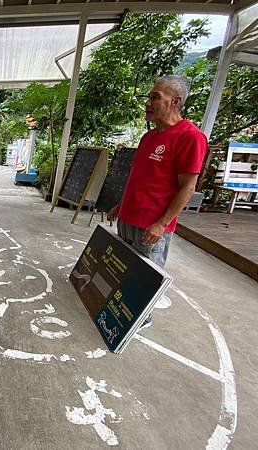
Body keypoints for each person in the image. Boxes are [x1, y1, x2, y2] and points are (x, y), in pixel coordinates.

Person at [107, 74, 208, 329]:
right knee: (125, 269)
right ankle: (121, 313)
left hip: (152, 224)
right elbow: (139, 178)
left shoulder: (190, 137)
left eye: (155, 97)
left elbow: (188, 187)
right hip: (129, 216)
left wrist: (162, 223)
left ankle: (139, 321)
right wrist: (121, 205)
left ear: (175, 101)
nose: (148, 103)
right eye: (149, 97)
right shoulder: (149, 138)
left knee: (145, 276)